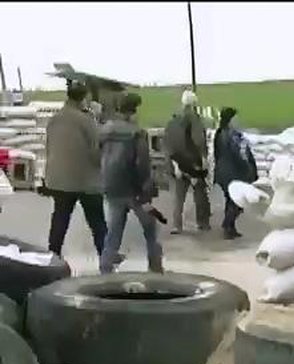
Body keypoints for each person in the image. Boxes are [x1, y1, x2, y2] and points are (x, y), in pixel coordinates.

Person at [99, 93, 164, 274]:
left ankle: (105, 267)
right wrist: (146, 190)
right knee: (150, 227)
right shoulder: (137, 133)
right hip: (133, 189)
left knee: (114, 231)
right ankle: (155, 266)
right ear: (134, 111)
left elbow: (97, 156)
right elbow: (142, 164)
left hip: (111, 187)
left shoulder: (105, 131)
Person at [44, 80, 107, 259]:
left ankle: (52, 257)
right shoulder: (87, 120)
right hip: (86, 181)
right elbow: (96, 151)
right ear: (84, 98)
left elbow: (49, 147)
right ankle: (106, 259)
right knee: (97, 223)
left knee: (60, 221)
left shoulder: (54, 119)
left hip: (60, 181)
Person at [165, 90, 211, 235]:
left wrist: (174, 164)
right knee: (199, 194)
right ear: (194, 104)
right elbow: (199, 141)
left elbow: (168, 143)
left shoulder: (173, 121)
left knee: (179, 196)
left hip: (177, 162)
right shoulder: (194, 120)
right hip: (193, 163)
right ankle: (202, 223)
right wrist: (204, 159)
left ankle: (177, 225)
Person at [214, 107, 258, 240]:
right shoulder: (233, 136)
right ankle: (227, 225)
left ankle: (230, 226)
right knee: (236, 202)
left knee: (231, 200)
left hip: (223, 172)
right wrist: (248, 170)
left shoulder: (220, 133)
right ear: (230, 120)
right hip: (233, 172)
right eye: (235, 118)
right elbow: (240, 155)